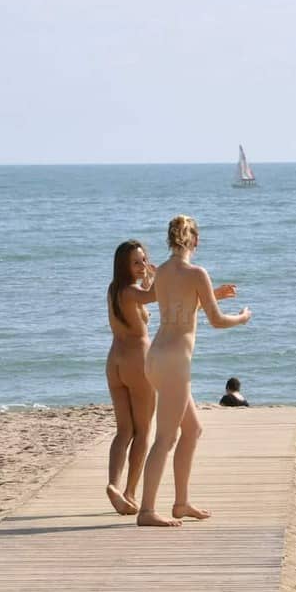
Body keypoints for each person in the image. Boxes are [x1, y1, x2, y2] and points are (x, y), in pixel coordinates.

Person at [138, 215, 251, 527]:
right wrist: (242, 318)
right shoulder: (197, 273)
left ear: (170, 239)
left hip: (156, 358)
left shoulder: (162, 271)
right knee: (165, 438)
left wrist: (214, 294)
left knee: (192, 430)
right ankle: (146, 511)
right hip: (175, 363)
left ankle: (181, 503)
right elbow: (217, 321)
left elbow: (181, 307)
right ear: (196, 241)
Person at [105, 239, 157, 515]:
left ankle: (114, 486)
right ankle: (130, 493)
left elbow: (143, 300)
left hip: (115, 361)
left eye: (144, 260)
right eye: (136, 262)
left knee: (124, 431)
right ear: (123, 265)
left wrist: (147, 280)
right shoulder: (132, 291)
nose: (142, 265)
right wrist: (160, 276)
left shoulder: (114, 290)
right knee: (144, 431)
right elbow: (155, 296)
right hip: (137, 362)